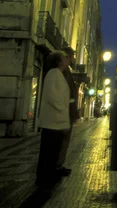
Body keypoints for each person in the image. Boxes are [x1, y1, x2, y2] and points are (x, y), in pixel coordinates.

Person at [36, 50, 71, 187]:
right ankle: (44, 178)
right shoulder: (53, 74)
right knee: (48, 152)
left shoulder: (58, 74)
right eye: (65, 57)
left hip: (56, 121)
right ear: (59, 61)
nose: (68, 59)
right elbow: (52, 96)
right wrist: (62, 108)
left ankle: (49, 175)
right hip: (53, 121)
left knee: (53, 151)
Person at [56, 47, 79, 176]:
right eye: (71, 57)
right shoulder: (62, 72)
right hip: (65, 112)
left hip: (67, 111)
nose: (72, 59)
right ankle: (57, 165)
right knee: (63, 139)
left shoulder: (66, 71)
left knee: (64, 140)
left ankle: (59, 164)